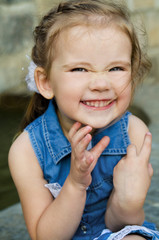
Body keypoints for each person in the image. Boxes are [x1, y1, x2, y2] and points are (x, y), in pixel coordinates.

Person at [8, 0, 159, 239]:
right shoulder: (26, 151)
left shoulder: (134, 133)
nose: (101, 84)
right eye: (80, 69)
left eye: (116, 68)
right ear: (46, 82)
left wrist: (129, 200)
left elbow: (122, 225)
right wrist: (76, 183)